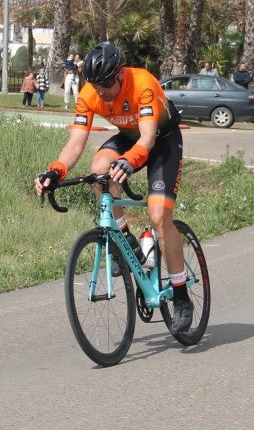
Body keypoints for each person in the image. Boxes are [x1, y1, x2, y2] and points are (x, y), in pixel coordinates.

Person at [34, 41, 194, 335]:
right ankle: (126, 240)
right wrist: (55, 170)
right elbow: (76, 143)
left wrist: (128, 162)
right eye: (95, 84)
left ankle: (182, 296)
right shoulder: (90, 94)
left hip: (161, 141)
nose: (101, 90)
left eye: (107, 82)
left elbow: (147, 139)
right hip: (129, 138)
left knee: (159, 218)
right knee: (98, 172)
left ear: (120, 73)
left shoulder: (142, 83)